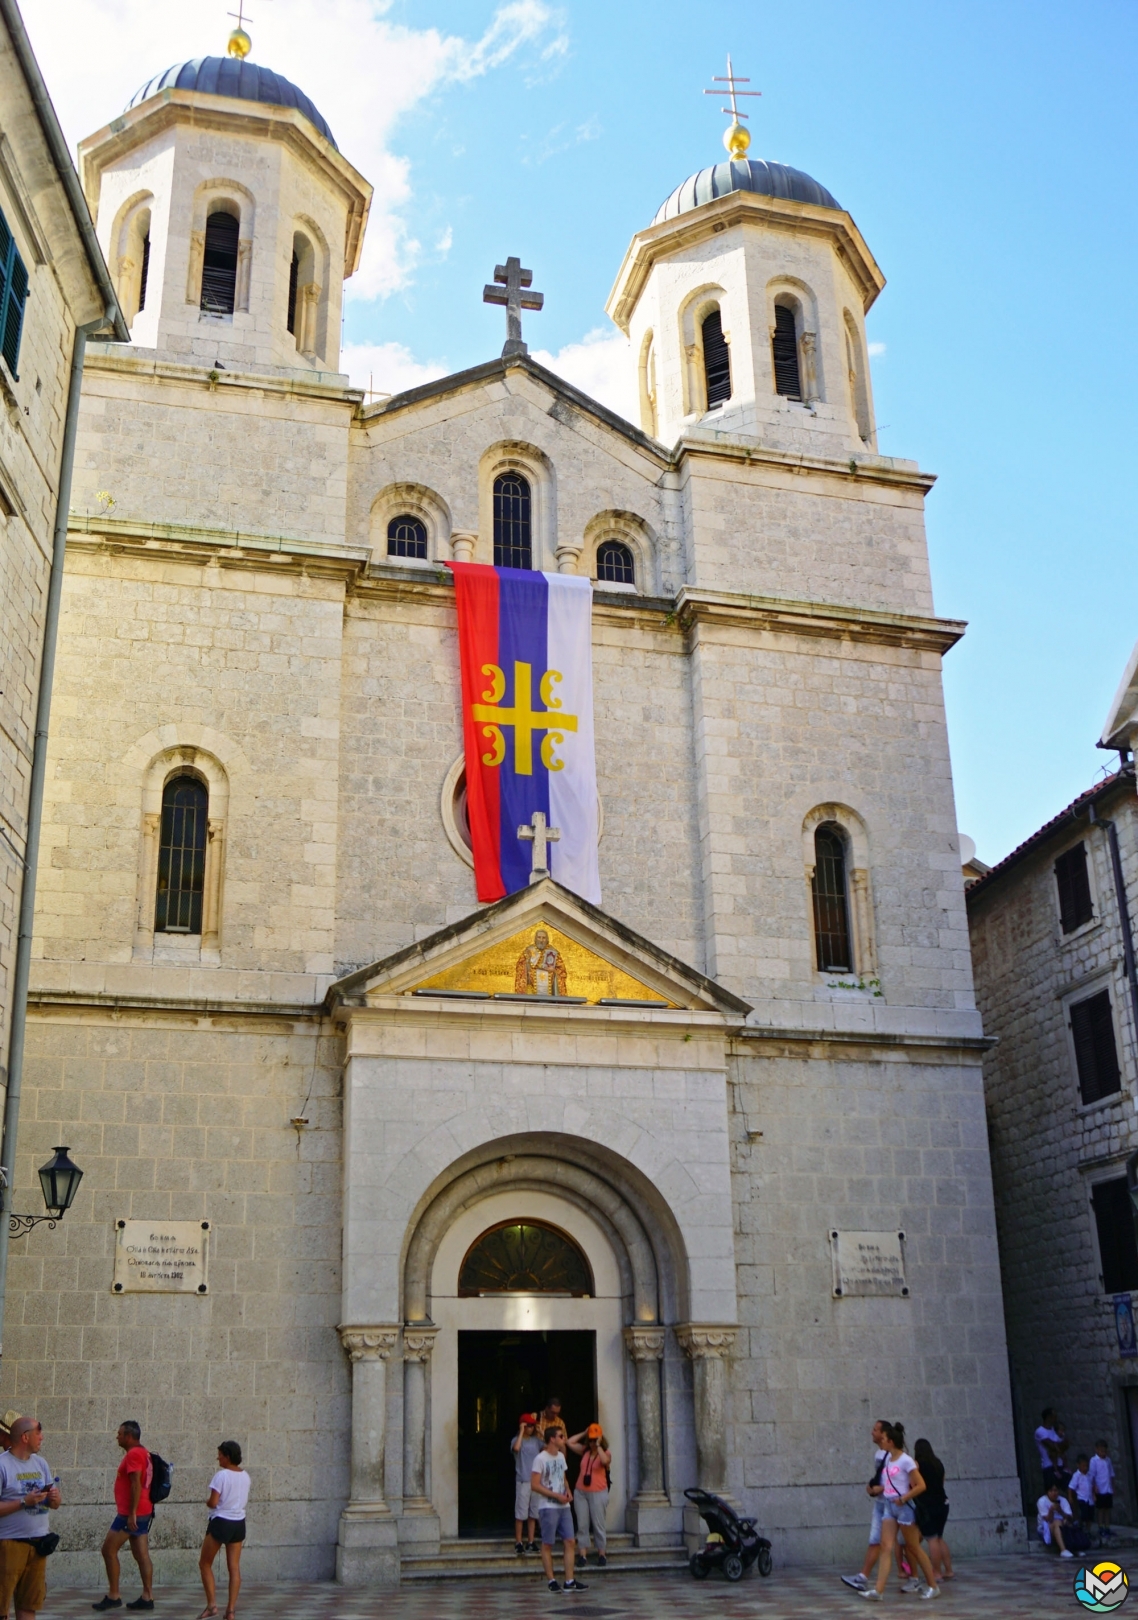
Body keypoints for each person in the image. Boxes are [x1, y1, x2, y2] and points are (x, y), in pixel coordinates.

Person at [861, 1422, 939, 1601]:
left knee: (913, 1547)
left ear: (891, 1441)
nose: (882, 1441)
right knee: (886, 1547)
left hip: (903, 1508)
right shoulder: (888, 1458)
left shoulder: (906, 1461)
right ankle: (878, 1591)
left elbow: (921, 1486)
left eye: (885, 1439)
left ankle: (933, 1586)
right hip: (889, 1506)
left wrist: (904, 1498)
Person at [0, 1416, 61, 1620]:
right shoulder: (3, 1465)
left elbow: (55, 1503)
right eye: (38, 1432)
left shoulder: (41, 1464)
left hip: (38, 1544)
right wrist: (24, 1502)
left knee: (29, 1606)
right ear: (25, 1437)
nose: (42, 1437)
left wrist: (54, 1498)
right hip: (8, 1545)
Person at [93, 1421, 154, 1612]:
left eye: (119, 1434)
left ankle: (114, 1595)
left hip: (131, 1513)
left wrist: (132, 1514)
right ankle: (147, 1597)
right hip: (144, 1510)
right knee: (141, 1555)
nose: (117, 1437)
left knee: (108, 1550)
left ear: (129, 1436)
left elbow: (136, 1484)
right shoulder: (144, 1452)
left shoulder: (134, 1454)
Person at [841, 1420, 908, 1593]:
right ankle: (865, 1579)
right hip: (882, 1504)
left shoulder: (899, 1457)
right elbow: (882, 1478)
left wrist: (882, 1488)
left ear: (887, 1436)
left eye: (876, 1430)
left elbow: (900, 1480)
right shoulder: (879, 1455)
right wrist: (873, 1488)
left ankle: (920, 1578)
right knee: (877, 1542)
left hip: (896, 1505)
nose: (872, 1432)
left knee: (910, 1544)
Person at [198, 1440, 250, 1620]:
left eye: (220, 1454)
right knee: (234, 1568)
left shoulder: (221, 1476)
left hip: (221, 1521)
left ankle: (212, 1605)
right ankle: (231, 1611)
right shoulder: (246, 1476)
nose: (217, 1458)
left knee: (205, 1564)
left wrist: (207, 1502)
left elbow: (213, 1502)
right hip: (239, 1523)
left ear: (227, 1457)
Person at [531, 1428, 587, 1593]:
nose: (564, 1438)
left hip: (564, 1506)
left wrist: (567, 1490)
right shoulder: (540, 1459)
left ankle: (569, 1580)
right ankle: (551, 1580)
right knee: (547, 1543)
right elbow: (534, 1485)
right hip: (548, 1507)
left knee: (570, 1541)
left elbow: (562, 1478)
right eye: (561, 1436)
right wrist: (555, 1495)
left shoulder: (561, 1456)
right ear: (552, 1439)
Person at [568, 1424, 611, 1567]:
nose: (592, 1442)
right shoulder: (585, 1451)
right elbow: (569, 1442)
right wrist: (584, 1433)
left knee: (598, 1524)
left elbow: (605, 1461)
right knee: (582, 1524)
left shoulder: (605, 1452)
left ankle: (602, 1554)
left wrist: (598, 1446)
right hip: (581, 1492)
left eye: (595, 1439)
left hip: (598, 1492)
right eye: (591, 1440)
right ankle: (583, 1555)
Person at [912, 1439, 953, 1582]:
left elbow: (914, 1485)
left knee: (932, 1539)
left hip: (927, 1505)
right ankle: (948, 1570)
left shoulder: (917, 1465)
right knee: (940, 1537)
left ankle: (936, 1572)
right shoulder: (938, 1463)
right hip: (943, 1502)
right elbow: (942, 1482)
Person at [511, 1415, 542, 1555]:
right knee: (520, 1513)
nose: (531, 1428)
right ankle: (518, 1542)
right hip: (523, 1480)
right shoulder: (516, 1440)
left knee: (533, 1513)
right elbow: (516, 1448)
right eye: (528, 1425)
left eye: (532, 1425)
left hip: (535, 1481)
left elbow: (548, 1446)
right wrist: (521, 1431)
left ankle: (530, 1541)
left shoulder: (536, 1441)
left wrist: (540, 1431)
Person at [1036, 1480, 1074, 1557]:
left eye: (1055, 1490)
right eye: (1051, 1491)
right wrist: (1051, 1510)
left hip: (1062, 1524)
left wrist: (1061, 1511)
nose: (1054, 1493)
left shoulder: (1063, 1500)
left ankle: (1075, 1548)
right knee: (1057, 1522)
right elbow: (1047, 1519)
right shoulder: (1042, 1501)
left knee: (1067, 1524)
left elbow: (1070, 1517)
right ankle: (1063, 1550)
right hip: (1045, 1527)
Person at [1090, 1440, 1116, 1540]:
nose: (1103, 1453)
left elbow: (1111, 1474)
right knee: (1101, 1509)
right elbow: (1092, 1475)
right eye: (1101, 1451)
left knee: (1107, 1509)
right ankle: (1101, 1527)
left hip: (1108, 1488)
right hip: (1100, 1489)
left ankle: (1107, 1527)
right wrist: (1094, 1487)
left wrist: (1113, 1486)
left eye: (1104, 1451)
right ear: (1096, 1450)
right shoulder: (1094, 1461)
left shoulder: (1108, 1460)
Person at [1034, 1408, 1064, 1489]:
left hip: (1059, 1464)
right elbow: (1051, 1445)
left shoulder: (1054, 1430)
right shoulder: (1040, 1431)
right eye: (1054, 1416)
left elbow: (1064, 1444)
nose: (1056, 1418)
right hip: (1049, 1466)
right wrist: (1058, 1446)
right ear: (1048, 1417)